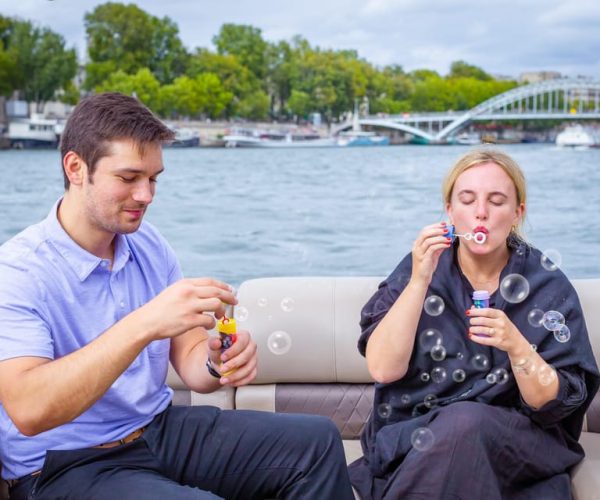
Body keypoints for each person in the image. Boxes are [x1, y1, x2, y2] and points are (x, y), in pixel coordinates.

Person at [0, 92, 354, 500]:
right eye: (129, 178)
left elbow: (191, 364)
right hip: (62, 464)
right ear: (76, 168)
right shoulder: (18, 271)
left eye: (153, 179)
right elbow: (29, 411)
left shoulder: (148, 243)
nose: (147, 195)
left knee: (317, 442)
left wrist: (217, 361)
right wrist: (145, 323)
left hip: (155, 431)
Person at [348, 148, 600, 499]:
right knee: (458, 430)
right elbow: (383, 368)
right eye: (467, 200)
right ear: (450, 211)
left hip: (515, 443)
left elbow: (551, 403)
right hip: (417, 433)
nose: (481, 212)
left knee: (465, 423)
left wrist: (517, 346)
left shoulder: (546, 284)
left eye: (497, 201)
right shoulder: (420, 268)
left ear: (517, 213)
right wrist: (420, 279)